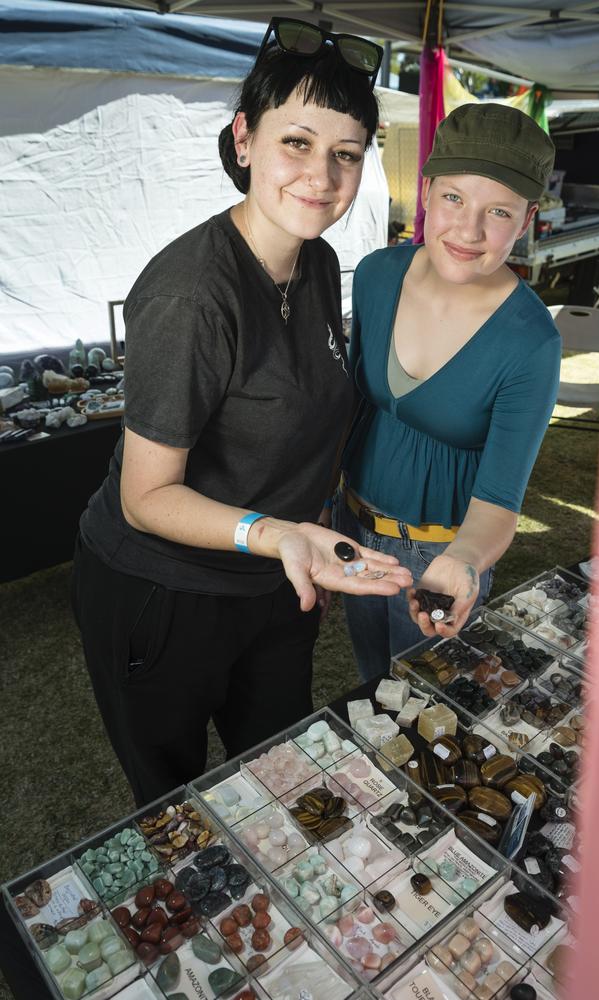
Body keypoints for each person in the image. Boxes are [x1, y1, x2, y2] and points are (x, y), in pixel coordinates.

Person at [71, 18, 412, 807]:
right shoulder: (194, 295)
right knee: (177, 806)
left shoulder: (321, 263)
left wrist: (306, 533)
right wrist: (278, 534)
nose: (322, 176)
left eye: (347, 153)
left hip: (273, 582)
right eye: (297, 141)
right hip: (164, 593)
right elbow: (145, 497)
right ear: (245, 139)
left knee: (282, 778)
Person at [333, 103, 561, 680]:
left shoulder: (531, 342)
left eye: (499, 211)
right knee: (370, 687)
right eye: (455, 198)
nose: (469, 230)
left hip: (438, 556)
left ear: (527, 217)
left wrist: (461, 561)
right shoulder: (377, 274)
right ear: (427, 191)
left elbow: (499, 503)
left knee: (424, 703)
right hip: (353, 533)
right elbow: (355, 406)